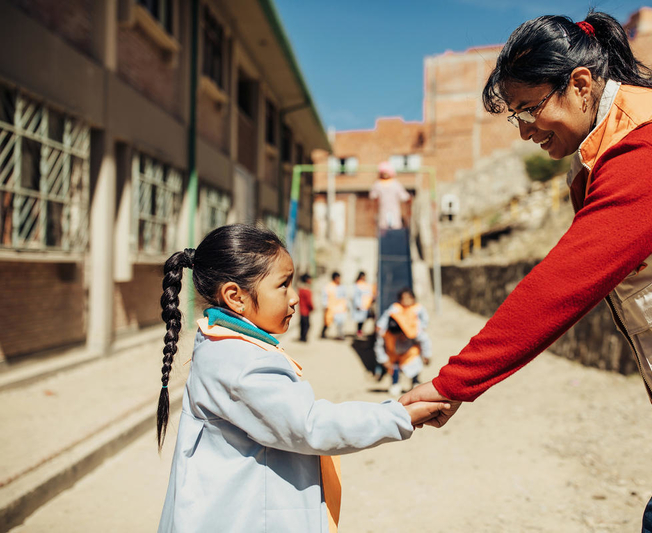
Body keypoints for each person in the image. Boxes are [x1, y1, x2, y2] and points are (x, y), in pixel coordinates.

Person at [401, 11, 652, 532]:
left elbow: (564, 282)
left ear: (581, 84)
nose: (524, 131)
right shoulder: (616, 144)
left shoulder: (651, 147)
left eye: (530, 109)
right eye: (514, 116)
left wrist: (453, 383)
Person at [155, 225, 448, 533]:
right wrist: (399, 415)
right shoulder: (240, 363)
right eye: (283, 285)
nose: (294, 298)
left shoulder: (226, 345)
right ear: (235, 297)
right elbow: (310, 425)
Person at [374, 288, 431, 397]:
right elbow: (378, 346)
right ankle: (395, 384)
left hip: (409, 350)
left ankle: (415, 381)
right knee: (394, 367)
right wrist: (383, 360)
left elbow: (425, 340)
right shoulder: (386, 332)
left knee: (415, 364)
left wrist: (426, 355)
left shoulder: (414, 330)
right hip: (394, 353)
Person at [369, 161, 411, 230]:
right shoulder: (378, 184)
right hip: (383, 210)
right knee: (384, 228)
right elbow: (373, 196)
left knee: (395, 227)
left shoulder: (395, 184)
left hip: (394, 210)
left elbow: (404, 196)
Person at [320, 271, 347, 340]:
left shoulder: (341, 287)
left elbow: (344, 297)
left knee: (340, 323)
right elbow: (324, 297)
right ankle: (323, 333)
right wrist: (325, 305)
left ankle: (340, 335)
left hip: (340, 308)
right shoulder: (328, 286)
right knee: (327, 322)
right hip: (331, 308)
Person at [351, 271, 374, 339]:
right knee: (360, 320)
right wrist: (357, 304)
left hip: (366, 305)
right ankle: (359, 331)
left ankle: (361, 331)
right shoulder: (357, 285)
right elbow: (356, 296)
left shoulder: (367, 284)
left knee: (364, 319)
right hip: (361, 305)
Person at [298, 273, 314, 342]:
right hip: (306, 311)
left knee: (302, 324)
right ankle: (304, 337)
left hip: (301, 310)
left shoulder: (300, 289)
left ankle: (302, 337)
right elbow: (309, 302)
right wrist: (312, 308)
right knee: (307, 325)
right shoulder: (307, 290)